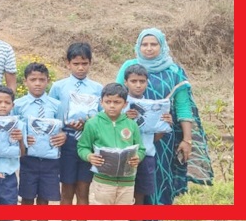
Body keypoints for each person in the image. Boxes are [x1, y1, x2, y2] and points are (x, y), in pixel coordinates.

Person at [115, 27, 213, 204]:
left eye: (154, 44)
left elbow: (183, 107)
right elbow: (116, 97)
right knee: (128, 182)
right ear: (138, 46)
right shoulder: (129, 67)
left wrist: (187, 140)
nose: (149, 48)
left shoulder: (174, 71)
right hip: (129, 133)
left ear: (162, 46)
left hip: (163, 137)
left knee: (158, 178)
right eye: (144, 44)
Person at [49, 42, 103, 206]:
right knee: (67, 190)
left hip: (88, 141)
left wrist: (88, 123)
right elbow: (52, 114)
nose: (80, 68)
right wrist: (60, 131)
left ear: (90, 63)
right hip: (67, 140)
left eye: (84, 63)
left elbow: (102, 115)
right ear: (68, 63)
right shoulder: (58, 87)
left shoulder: (97, 88)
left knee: (83, 190)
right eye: (76, 63)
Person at [77, 83, 145, 205]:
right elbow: (83, 147)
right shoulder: (93, 123)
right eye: (108, 102)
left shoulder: (131, 124)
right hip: (103, 182)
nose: (112, 106)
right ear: (101, 102)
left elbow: (141, 149)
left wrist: (138, 157)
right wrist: (89, 156)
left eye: (117, 102)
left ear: (125, 104)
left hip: (127, 182)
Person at [12, 63, 67, 206]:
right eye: (33, 79)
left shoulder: (57, 105)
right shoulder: (17, 105)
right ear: (25, 81)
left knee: (44, 198)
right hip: (28, 158)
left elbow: (62, 128)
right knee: (27, 197)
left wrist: (63, 136)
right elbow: (13, 130)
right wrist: (23, 139)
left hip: (50, 159)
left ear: (48, 81)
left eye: (42, 80)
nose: (37, 83)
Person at [121, 64, 172, 206]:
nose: (138, 85)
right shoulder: (118, 104)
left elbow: (155, 138)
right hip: (122, 155)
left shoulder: (155, 106)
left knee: (140, 196)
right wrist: (124, 119)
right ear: (125, 82)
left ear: (147, 83)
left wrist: (165, 124)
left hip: (146, 155)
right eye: (133, 81)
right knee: (121, 195)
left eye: (142, 81)